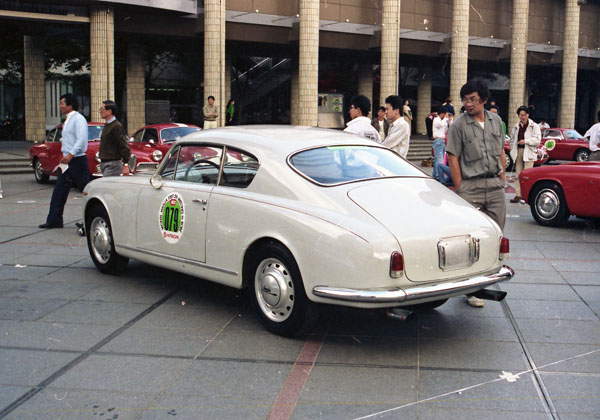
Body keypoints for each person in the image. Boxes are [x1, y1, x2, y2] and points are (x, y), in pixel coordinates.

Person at [446, 80, 506, 308]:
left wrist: (502, 179)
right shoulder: (458, 125)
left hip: (494, 185)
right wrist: (460, 187)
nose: (467, 103)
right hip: (470, 187)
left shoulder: (496, 121)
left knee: (496, 234)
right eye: (465, 99)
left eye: (472, 99)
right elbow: (453, 157)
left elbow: (501, 150)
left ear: (483, 99)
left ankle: (484, 279)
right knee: (470, 238)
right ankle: (472, 288)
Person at [39, 93, 90, 229]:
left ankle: (90, 220)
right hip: (66, 160)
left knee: (86, 190)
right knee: (59, 190)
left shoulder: (78, 119)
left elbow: (81, 140)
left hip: (77, 160)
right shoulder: (67, 120)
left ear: (70, 105)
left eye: (62, 103)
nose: (60, 106)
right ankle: (54, 220)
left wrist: (71, 154)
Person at [509, 106, 541, 203]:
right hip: (519, 151)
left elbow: (537, 140)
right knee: (518, 174)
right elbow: (512, 139)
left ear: (528, 115)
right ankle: (518, 195)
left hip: (529, 151)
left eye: (524, 115)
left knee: (527, 175)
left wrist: (526, 141)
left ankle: (527, 196)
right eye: (520, 115)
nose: (522, 117)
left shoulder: (534, 126)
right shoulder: (516, 126)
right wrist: (512, 149)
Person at [98, 100, 131, 177]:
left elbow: (123, 145)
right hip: (104, 163)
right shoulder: (107, 125)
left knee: (106, 187)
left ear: (109, 111)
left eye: (102, 109)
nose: (100, 111)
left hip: (112, 164)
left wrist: (126, 164)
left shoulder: (116, 126)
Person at [431, 107, 448, 181]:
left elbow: (446, 129)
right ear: (442, 113)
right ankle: (438, 176)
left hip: (442, 140)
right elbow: (440, 125)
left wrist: (449, 120)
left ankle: (435, 174)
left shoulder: (443, 120)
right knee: (439, 159)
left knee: (439, 159)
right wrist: (445, 119)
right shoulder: (436, 119)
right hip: (438, 140)